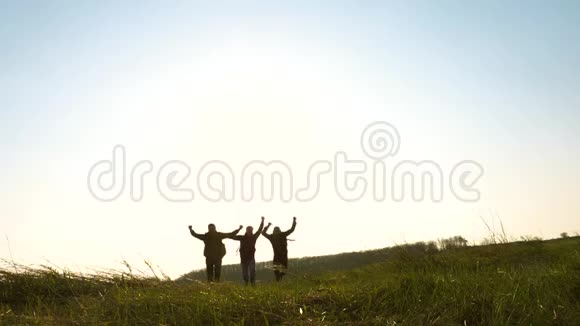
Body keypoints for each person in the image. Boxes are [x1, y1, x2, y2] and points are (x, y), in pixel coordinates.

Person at [262, 217, 297, 282]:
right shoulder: (280, 235)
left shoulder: (273, 236)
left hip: (280, 255)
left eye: (277, 230)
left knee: (281, 271)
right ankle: (278, 281)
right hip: (280, 256)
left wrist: (268, 226)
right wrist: (294, 221)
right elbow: (292, 229)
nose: (277, 232)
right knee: (279, 271)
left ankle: (279, 280)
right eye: (276, 231)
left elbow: (263, 233)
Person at [232, 217, 265, 285]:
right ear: (246, 230)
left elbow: (260, 229)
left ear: (252, 230)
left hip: (251, 258)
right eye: (249, 230)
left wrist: (262, 221)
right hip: (243, 258)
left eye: (251, 230)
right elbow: (232, 236)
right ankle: (246, 284)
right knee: (245, 273)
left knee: (252, 272)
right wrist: (239, 229)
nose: (250, 231)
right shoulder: (242, 238)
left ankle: (252, 284)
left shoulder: (254, 237)